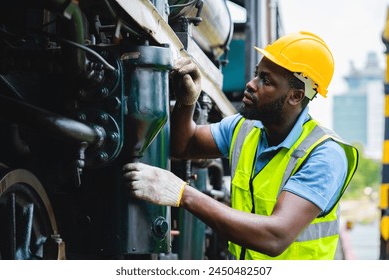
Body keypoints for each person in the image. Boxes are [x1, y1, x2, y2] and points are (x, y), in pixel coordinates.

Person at [122, 31, 359, 260]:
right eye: (257, 74)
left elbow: (275, 237)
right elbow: (183, 146)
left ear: (296, 96)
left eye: (265, 80)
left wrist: (183, 194)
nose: (251, 84)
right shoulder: (244, 128)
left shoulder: (324, 154)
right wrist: (187, 102)